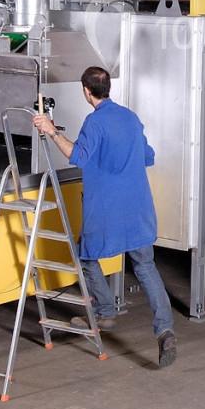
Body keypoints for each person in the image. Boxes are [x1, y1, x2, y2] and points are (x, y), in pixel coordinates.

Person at [32, 66, 177, 368]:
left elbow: (77, 156)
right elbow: (147, 156)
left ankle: (106, 312)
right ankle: (165, 330)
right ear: (107, 87)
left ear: (86, 92)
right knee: (145, 266)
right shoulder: (130, 118)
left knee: (86, 257)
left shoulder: (94, 122)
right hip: (138, 208)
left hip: (106, 210)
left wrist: (51, 130)